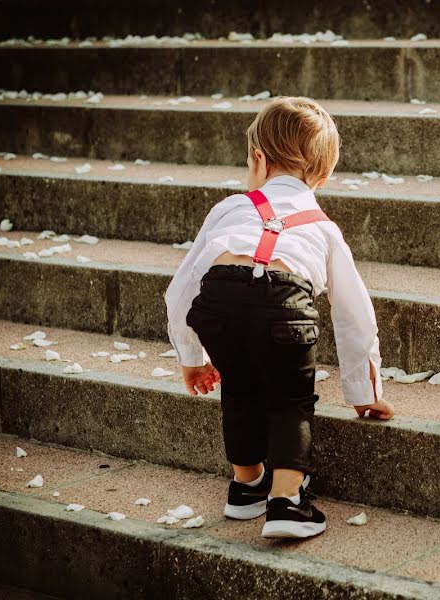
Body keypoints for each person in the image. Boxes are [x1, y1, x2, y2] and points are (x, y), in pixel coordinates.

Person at [164, 96, 394, 539]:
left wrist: (191, 356)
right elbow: (353, 314)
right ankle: (287, 502)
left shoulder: (229, 208)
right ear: (323, 175)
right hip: (284, 305)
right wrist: (364, 392)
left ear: (258, 158)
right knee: (291, 401)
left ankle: (246, 487)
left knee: (238, 388)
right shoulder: (324, 226)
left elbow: (182, 288)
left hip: (219, 300)